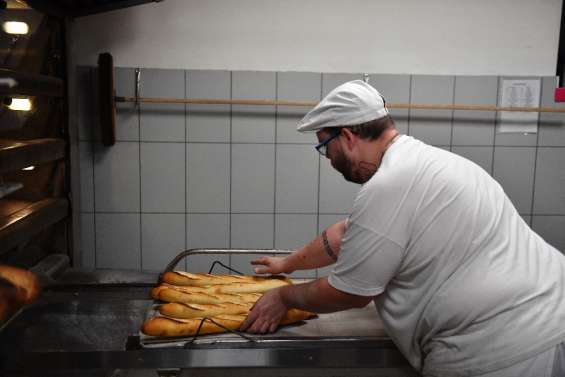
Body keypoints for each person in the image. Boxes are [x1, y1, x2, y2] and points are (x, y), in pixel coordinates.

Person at [240, 80, 565, 376]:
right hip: (548, 318)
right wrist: (288, 264)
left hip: (505, 348)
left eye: (326, 146)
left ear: (348, 136)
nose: (328, 158)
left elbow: (349, 293)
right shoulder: (429, 164)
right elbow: (345, 235)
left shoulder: (390, 184)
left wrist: (284, 297)